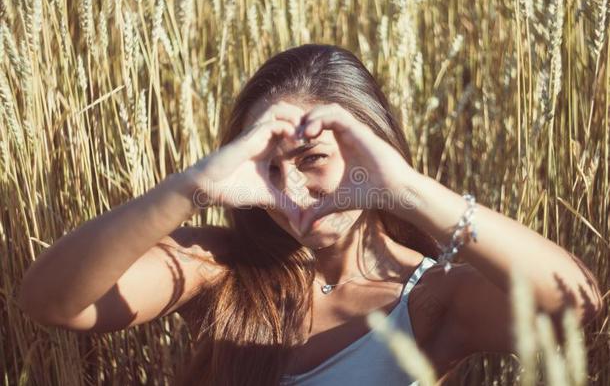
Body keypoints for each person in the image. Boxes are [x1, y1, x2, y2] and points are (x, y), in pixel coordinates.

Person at [18, 44, 603, 386]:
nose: (293, 189)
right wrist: (192, 187)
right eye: (268, 167)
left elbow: (576, 305)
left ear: (368, 147)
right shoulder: (219, 268)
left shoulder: (429, 299)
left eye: (313, 159)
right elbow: (51, 303)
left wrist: (405, 188)